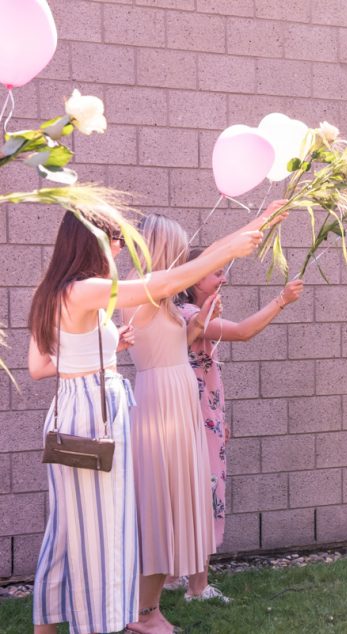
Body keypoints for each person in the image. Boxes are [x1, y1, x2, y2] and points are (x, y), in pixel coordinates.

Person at [28, 208, 264, 634]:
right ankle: (112, 620)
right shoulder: (90, 289)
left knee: (68, 528)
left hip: (79, 406)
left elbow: (39, 367)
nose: (121, 247)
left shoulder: (52, 291)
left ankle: (72, 623)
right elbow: (166, 282)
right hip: (95, 413)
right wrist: (233, 243)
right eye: (114, 238)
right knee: (102, 526)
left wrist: (102, 351)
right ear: (92, 242)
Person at [122, 206, 280, 634]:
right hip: (162, 407)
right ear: (161, 252)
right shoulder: (144, 290)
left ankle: (149, 609)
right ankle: (143, 614)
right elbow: (208, 260)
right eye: (176, 249)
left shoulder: (161, 299)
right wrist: (259, 220)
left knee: (172, 508)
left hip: (178, 402)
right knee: (158, 509)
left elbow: (184, 340)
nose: (183, 258)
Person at [174, 256, 304, 598]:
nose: (223, 279)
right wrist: (281, 300)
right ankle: (196, 587)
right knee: (202, 494)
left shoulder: (193, 317)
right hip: (192, 420)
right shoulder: (189, 316)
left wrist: (218, 418)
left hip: (203, 417)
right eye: (217, 273)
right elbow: (243, 332)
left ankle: (180, 578)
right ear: (195, 280)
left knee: (195, 493)